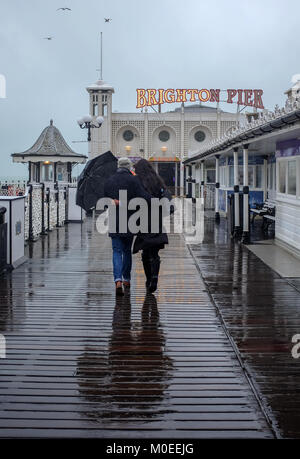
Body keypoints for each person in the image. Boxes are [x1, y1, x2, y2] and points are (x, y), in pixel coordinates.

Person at [104, 157, 151, 296]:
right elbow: (144, 199)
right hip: (130, 221)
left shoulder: (109, 180)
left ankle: (117, 280)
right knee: (126, 251)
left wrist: (115, 202)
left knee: (116, 251)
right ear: (129, 167)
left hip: (114, 221)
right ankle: (126, 279)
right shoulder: (134, 180)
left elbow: (105, 201)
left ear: (118, 166)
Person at [133, 159, 171, 293]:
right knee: (154, 252)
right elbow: (165, 194)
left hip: (142, 218)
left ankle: (149, 279)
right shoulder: (156, 179)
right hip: (156, 218)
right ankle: (155, 277)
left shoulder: (137, 181)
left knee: (145, 253)